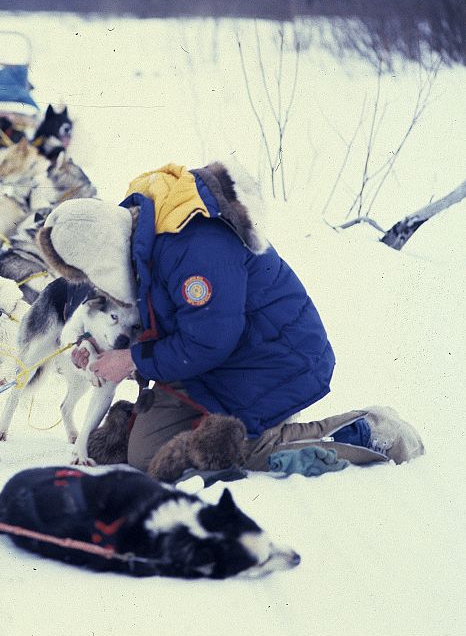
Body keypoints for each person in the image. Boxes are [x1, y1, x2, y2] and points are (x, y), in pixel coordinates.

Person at [36, 161, 425, 475]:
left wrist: (133, 360)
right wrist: (99, 346)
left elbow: (208, 339)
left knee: (237, 449)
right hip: (222, 362)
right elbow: (157, 321)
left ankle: (368, 431)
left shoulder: (192, 249)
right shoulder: (144, 241)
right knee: (147, 457)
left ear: (104, 259)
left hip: (273, 360)